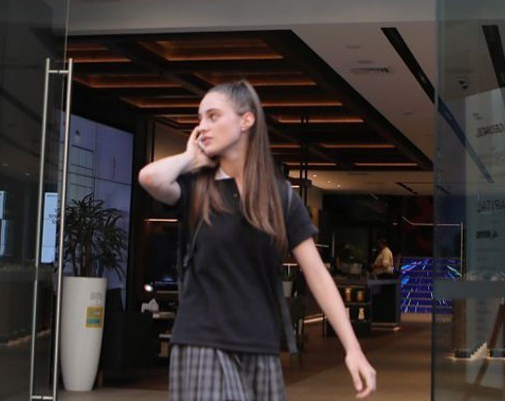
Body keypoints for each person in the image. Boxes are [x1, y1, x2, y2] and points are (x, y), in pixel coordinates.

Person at [139, 80, 377, 400]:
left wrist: (353, 348)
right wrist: (190, 156)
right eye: (199, 119)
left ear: (246, 120)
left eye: (213, 116)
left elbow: (318, 275)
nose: (203, 126)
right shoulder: (196, 186)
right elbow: (150, 178)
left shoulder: (280, 197)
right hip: (202, 341)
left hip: (259, 344)